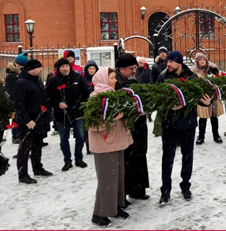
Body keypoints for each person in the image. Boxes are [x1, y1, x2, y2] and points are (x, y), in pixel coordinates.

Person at [156, 51, 213, 205]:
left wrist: (206, 103)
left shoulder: (192, 77)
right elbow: (156, 98)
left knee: (188, 156)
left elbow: (198, 97)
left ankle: (185, 186)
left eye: (171, 62)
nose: (168, 64)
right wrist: (169, 106)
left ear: (179, 63)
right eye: (167, 61)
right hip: (169, 124)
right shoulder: (163, 77)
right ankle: (165, 190)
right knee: (167, 158)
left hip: (188, 124)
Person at [86, 67, 134, 226]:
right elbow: (93, 125)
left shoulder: (113, 95)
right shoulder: (96, 98)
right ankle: (99, 213)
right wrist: (113, 118)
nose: (115, 80)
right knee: (107, 180)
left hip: (117, 142)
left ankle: (116, 206)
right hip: (104, 145)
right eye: (112, 78)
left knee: (119, 177)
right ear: (102, 79)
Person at [113, 53, 151, 201]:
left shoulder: (137, 78)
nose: (134, 71)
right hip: (125, 127)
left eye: (135, 68)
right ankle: (125, 191)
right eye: (131, 68)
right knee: (127, 159)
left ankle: (139, 189)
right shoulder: (115, 83)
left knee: (140, 156)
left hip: (140, 125)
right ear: (121, 69)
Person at [12, 59, 54, 184]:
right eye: (39, 67)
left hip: (39, 120)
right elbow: (18, 104)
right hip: (28, 123)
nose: (42, 69)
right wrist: (27, 120)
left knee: (37, 146)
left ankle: (38, 168)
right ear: (31, 69)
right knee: (25, 149)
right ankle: (23, 174)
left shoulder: (37, 81)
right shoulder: (21, 82)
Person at [46, 58, 90, 171]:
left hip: (78, 113)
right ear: (58, 68)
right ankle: (67, 160)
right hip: (62, 114)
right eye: (62, 67)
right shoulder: (54, 80)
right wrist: (58, 103)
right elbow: (48, 97)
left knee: (80, 136)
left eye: (66, 66)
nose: (65, 68)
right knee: (63, 138)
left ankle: (78, 158)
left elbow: (86, 93)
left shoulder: (78, 78)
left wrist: (82, 105)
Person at [193, 53, 223, 145]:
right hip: (203, 96)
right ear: (197, 62)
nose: (202, 61)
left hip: (213, 96)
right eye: (200, 60)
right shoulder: (195, 71)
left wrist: (216, 74)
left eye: (203, 60)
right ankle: (201, 136)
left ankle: (216, 135)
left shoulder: (212, 68)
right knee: (203, 117)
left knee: (214, 117)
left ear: (206, 60)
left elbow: (220, 79)